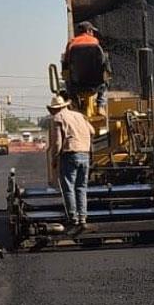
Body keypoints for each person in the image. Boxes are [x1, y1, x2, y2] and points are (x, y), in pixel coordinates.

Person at [47, 94, 94, 226]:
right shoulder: (79, 116)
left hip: (70, 154)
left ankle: (73, 217)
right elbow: (92, 130)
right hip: (85, 154)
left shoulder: (58, 118)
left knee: (69, 187)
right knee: (81, 187)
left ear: (54, 109)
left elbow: (57, 143)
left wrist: (54, 159)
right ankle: (83, 217)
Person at [61, 21, 110, 113]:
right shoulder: (95, 42)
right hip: (96, 84)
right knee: (106, 80)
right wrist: (107, 72)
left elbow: (66, 62)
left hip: (76, 84)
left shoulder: (71, 43)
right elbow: (103, 61)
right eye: (92, 31)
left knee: (67, 82)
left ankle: (75, 103)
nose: (92, 34)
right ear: (88, 31)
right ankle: (100, 105)